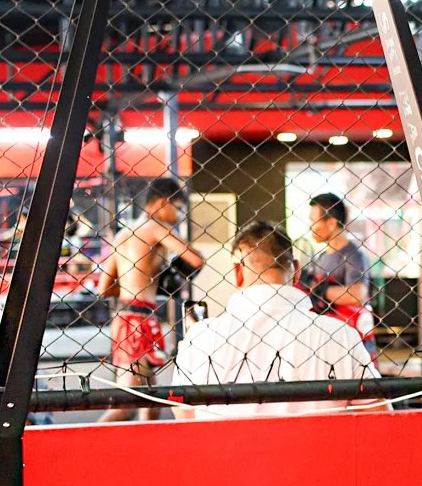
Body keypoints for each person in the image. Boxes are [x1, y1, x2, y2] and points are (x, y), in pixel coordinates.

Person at [171, 219, 377, 418]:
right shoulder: (340, 336)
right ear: (297, 271)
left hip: (226, 452)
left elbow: (185, 417)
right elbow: (376, 416)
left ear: (237, 273)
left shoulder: (200, 338)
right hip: (314, 452)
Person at [95, 178, 204, 421]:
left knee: (150, 401)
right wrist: (165, 278)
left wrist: (139, 281)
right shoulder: (157, 228)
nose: (178, 216)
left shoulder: (122, 235)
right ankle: (85, 449)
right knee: (127, 403)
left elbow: (105, 287)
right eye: (177, 208)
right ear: (163, 203)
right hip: (138, 320)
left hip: (125, 315)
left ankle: (145, 451)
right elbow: (196, 259)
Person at [302, 193, 375, 344]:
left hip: (353, 340)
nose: (311, 227)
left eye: (313, 221)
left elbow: (357, 295)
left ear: (331, 223)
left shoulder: (354, 255)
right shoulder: (319, 258)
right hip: (326, 337)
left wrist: (320, 290)